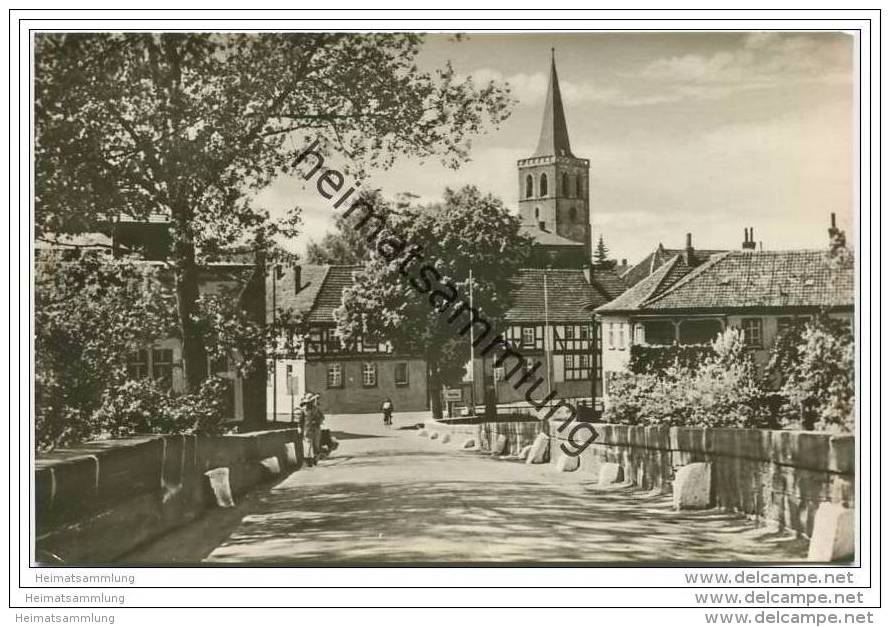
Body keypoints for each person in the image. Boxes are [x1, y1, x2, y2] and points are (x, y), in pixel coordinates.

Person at [300, 393, 324, 466]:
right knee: (307, 444)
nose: (307, 404)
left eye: (309, 402)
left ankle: (315, 459)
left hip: (316, 429)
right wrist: (299, 427)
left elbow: (322, 418)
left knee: (316, 445)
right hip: (307, 429)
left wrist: (317, 421)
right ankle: (307, 460)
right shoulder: (303, 410)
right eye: (306, 402)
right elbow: (301, 420)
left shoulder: (316, 409)